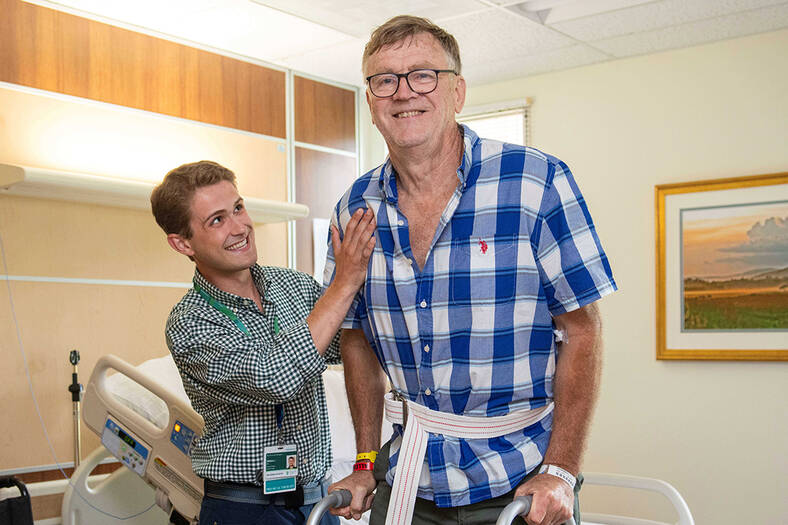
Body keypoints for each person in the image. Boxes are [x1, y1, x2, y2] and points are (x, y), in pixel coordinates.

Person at [323, 15, 617, 525]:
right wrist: (366, 461)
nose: (403, 92)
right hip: (408, 481)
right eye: (384, 79)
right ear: (370, 102)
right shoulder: (355, 209)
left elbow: (581, 330)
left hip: (520, 483)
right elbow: (356, 341)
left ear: (457, 92)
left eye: (423, 75)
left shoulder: (537, 183)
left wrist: (561, 471)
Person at [150, 160, 376, 525]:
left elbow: (357, 341)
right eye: (217, 220)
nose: (240, 227)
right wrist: (344, 284)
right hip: (244, 510)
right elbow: (276, 377)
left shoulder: (295, 288)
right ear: (182, 243)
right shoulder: (190, 324)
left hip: (317, 504)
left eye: (238, 208)